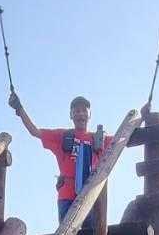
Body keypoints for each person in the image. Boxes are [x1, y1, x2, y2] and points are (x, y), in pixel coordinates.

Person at [8, 90, 109, 220]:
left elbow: (123, 138)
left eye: (84, 111)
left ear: (90, 115)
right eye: (76, 111)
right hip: (67, 196)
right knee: (66, 231)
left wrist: (136, 119)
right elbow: (35, 131)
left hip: (90, 195)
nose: (80, 114)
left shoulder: (98, 139)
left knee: (90, 232)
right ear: (71, 115)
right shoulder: (62, 136)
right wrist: (19, 108)